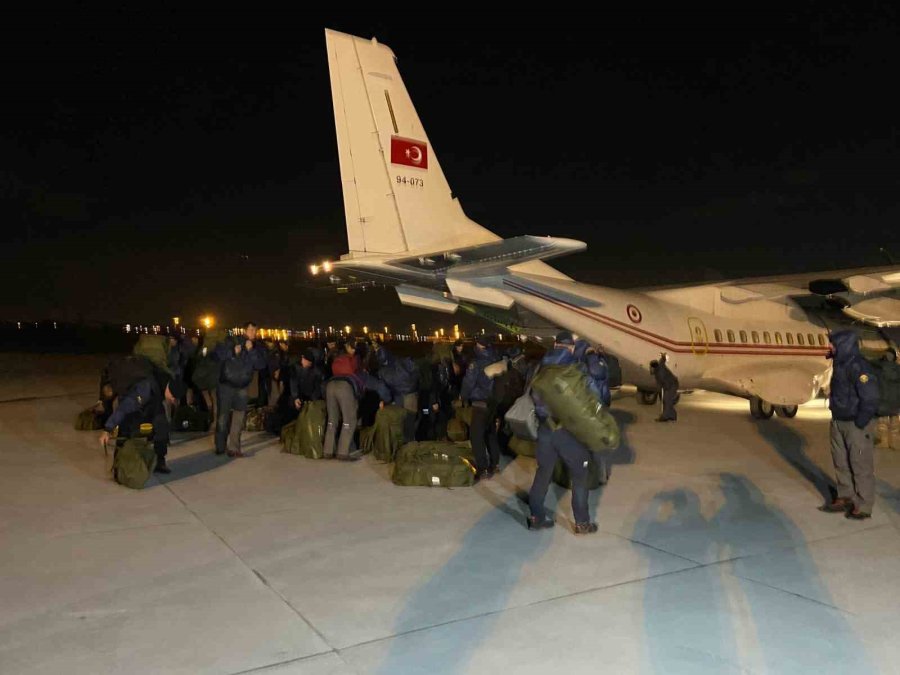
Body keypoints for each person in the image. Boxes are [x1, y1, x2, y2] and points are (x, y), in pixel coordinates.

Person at [526, 331, 598, 534]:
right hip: (569, 433)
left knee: (542, 474)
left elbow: (532, 394)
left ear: (555, 344)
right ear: (571, 347)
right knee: (579, 477)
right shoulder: (577, 368)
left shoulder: (540, 367)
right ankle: (582, 523)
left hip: (545, 430)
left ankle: (536, 517)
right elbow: (594, 395)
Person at [820, 330, 880, 519]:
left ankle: (863, 505)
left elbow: (870, 397)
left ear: (844, 345)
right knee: (841, 461)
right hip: (838, 421)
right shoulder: (839, 364)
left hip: (855, 424)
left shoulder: (859, 366)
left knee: (860, 464)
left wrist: (861, 421)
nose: (830, 347)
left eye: (834, 344)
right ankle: (845, 495)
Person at [99, 376, 186, 475]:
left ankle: (159, 461)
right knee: (127, 431)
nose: (172, 400)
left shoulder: (164, 382)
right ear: (169, 389)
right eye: (172, 397)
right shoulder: (145, 389)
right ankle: (119, 466)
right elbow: (123, 408)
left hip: (150, 407)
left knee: (162, 426)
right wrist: (108, 429)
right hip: (134, 410)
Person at [213, 322, 268, 457]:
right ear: (244, 330)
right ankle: (220, 446)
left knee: (239, 417)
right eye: (250, 330)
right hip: (226, 385)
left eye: (255, 330)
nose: (253, 333)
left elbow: (260, 365)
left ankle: (234, 448)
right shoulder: (232, 341)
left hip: (242, 386)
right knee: (223, 416)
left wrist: (251, 351)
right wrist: (233, 352)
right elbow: (217, 355)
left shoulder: (257, 347)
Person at [461, 335, 502, 479]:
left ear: (480, 346)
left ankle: (483, 468)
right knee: (490, 434)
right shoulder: (496, 359)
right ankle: (495, 464)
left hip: (480, 404)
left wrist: (463, 396)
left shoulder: (476, 363)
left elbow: (468, 383)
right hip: (493, 404)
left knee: (476, 437)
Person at [871, 347, 900, 450]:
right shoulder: (897, 368)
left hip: (883, 398)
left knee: (882, 423)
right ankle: (895, 443)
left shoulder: (878, 368)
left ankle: (884, 442)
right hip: (895, 400)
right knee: (894, 424)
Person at [574, 339, 611, 407]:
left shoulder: (590, 364)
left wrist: (591, 355)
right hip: (598, 403)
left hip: (596, 404)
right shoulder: (597, 362)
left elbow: (596, 372)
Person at [651, 354, 679, 422]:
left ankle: (665, 417)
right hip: (670, 384)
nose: (650, 369)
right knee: (667, 400)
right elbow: (662, 361)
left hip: (672, 385)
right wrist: (663, 356)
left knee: (666, 400)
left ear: (654, 367)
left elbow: (663, 383)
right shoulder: (660, 366)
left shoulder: (660, 373)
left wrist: (662, 390)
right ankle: (672, 416)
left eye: (651, 368)